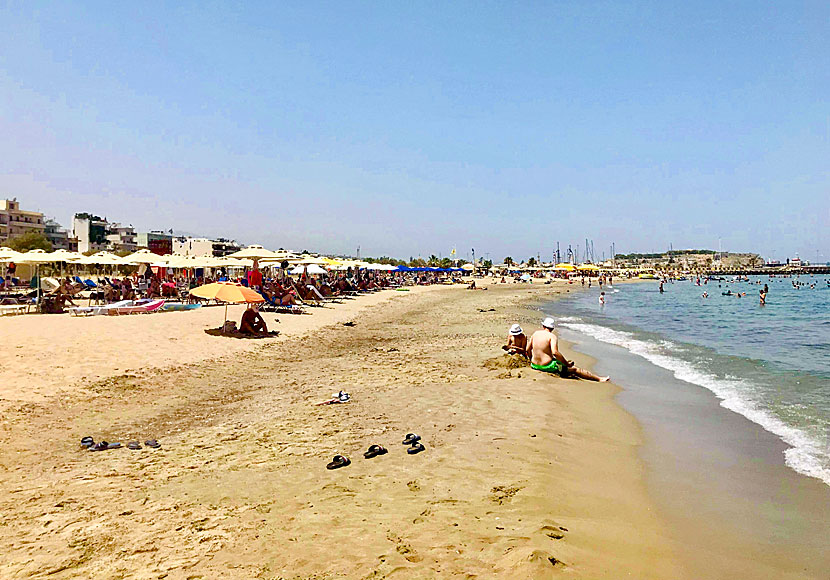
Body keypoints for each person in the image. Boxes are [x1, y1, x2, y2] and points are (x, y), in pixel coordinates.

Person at [527, 317, 609, 381]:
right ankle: (598, 378)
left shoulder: (535, 333)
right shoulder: (552, 336)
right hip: (547, 366)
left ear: (543, 326)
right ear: (552, 328)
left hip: (534, 365)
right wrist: (566, 363)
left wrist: (531, 359)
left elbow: (528, 349)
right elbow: (555, 352)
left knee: (560, 363)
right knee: (575, 369)